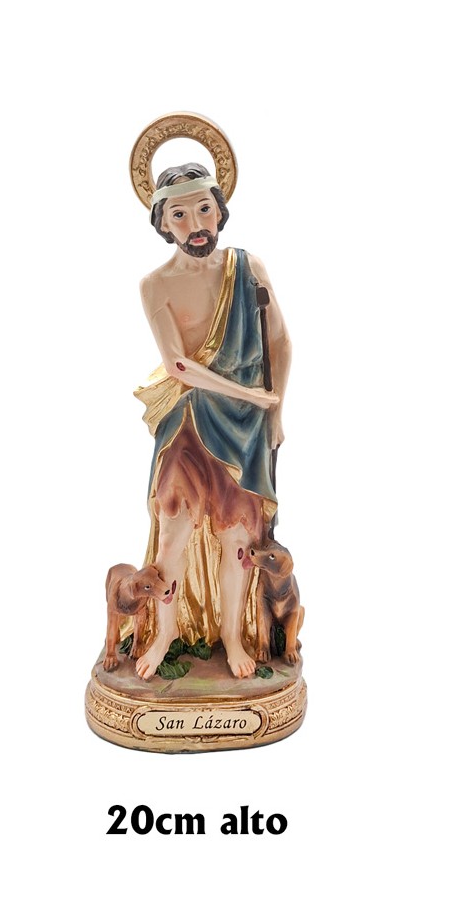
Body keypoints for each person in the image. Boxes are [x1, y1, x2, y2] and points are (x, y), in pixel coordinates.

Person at [133, 163, 291, 680]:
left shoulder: (248, 269)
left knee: (238, 541)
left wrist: (275, 410)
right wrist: (249, 393)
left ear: (220, 212)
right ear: (163, 223)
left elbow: (279, 341)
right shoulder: (156, 285)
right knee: (172, 534)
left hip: (244, 428)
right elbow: (178, 365)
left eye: (204, 209)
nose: (196, 224)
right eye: (179, 215)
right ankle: (164, 633)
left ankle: (231, 635)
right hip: (189, 423)